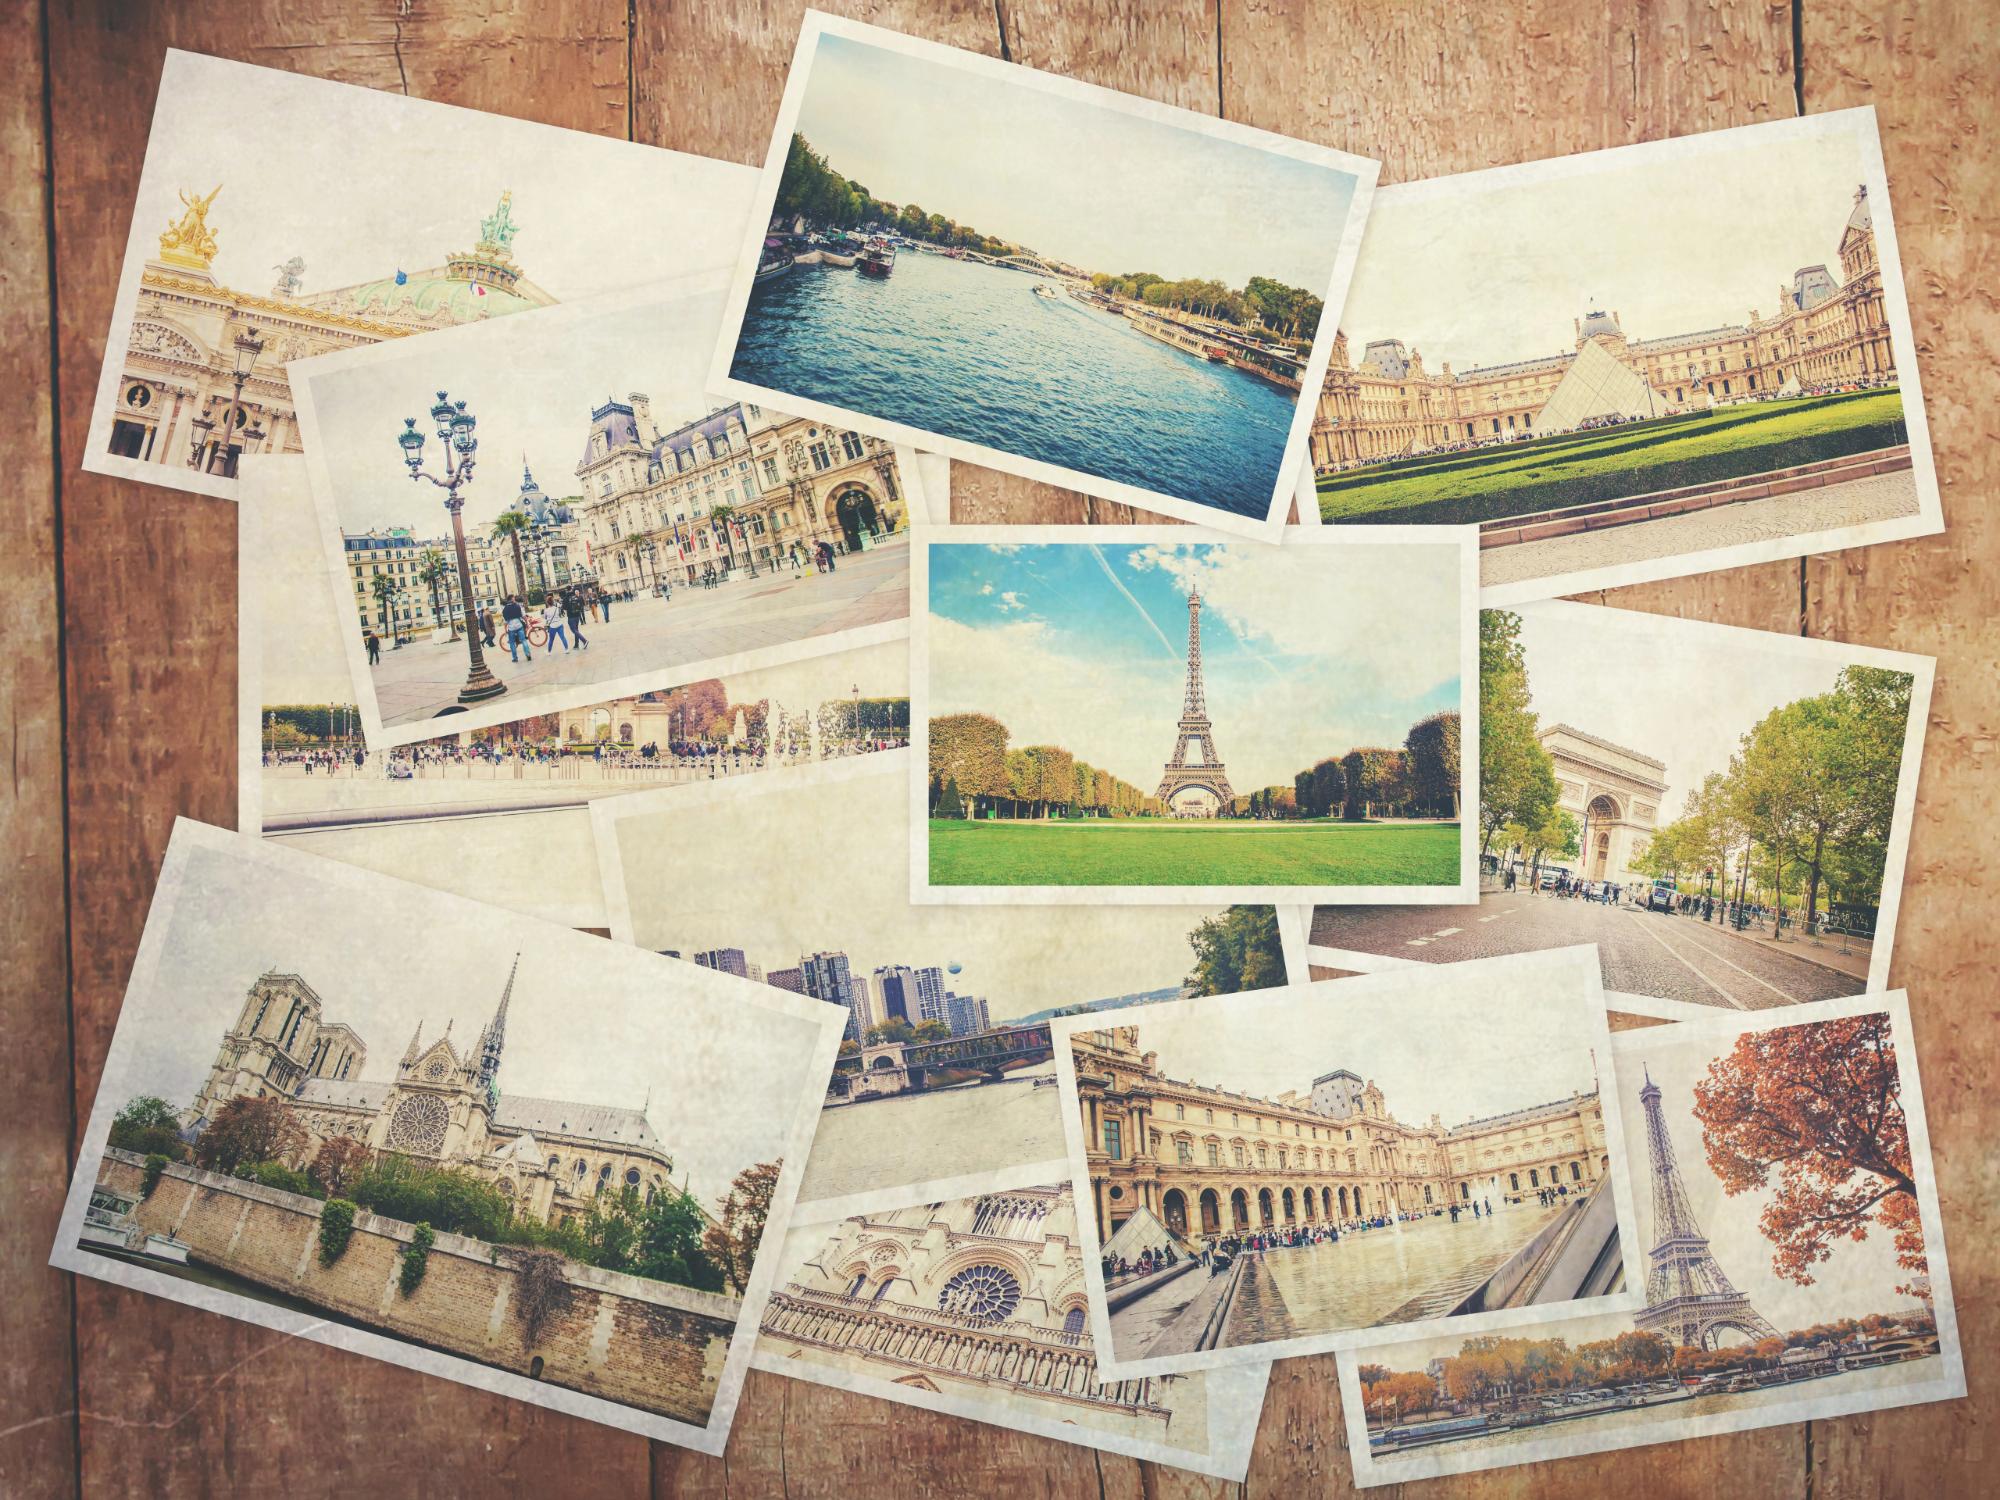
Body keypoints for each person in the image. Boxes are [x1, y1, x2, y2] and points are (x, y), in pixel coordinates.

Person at [502, 596, 531, 662]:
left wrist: (505, 630)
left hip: (511, 628)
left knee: (512, 643)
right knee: (523, 640)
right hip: (519, 626)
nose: (514, 599)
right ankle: (528, 654)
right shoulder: (518, 606)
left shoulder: (505, 609)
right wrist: (527, 624)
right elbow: (524, 616)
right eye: (514, 598)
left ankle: (515, 658)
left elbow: (505, 622)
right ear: (511, 600)